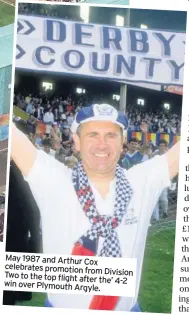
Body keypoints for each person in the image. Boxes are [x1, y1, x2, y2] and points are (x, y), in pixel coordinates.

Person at [11, 103, 180, 312]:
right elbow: (10, 132)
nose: (102, 145)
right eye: (92, 135)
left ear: (122, 142)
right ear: (77, 141)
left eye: (111, 135)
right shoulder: (53, 179)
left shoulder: (142, 181)